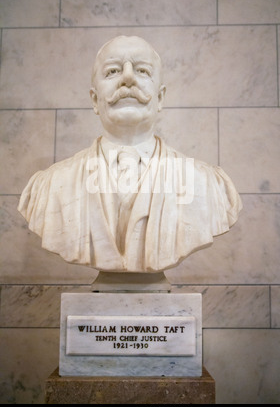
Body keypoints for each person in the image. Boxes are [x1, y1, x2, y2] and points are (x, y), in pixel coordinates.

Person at [18, 35, 242, 273]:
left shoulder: (210, 185)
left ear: (160, 98)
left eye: (142, 71)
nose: (127, 78)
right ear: (94, 99)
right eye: (113, 71)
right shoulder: (48, 187)